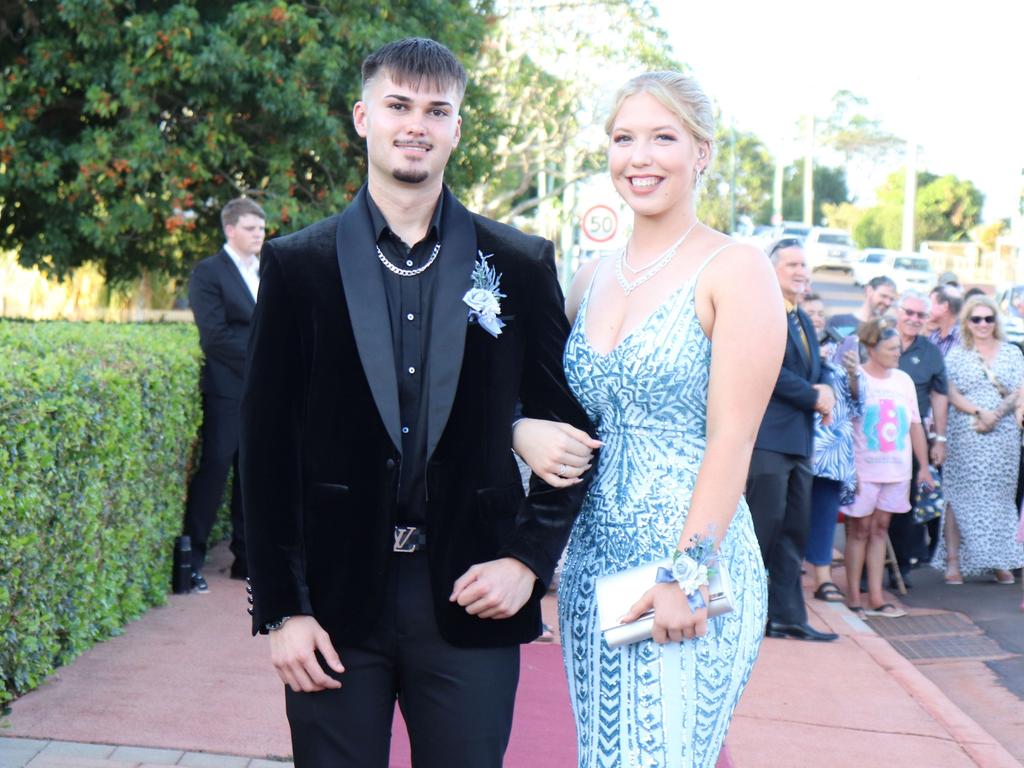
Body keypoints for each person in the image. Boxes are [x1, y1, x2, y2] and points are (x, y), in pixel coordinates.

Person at [239, 38, 596, 767]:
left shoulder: (522, 265)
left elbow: (575, 435)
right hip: (333, 606)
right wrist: (283, 608)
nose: (416, 125)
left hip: (474, 594)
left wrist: (527, 563)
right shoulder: (296, 265)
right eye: (399, 106)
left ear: (456, 129)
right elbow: (265, 448)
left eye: (437, 111)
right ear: (363, 117)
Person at [553, 71, 785, 768]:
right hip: (593, 566)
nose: (639, 157)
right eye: (624, 139)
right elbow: (551, 413)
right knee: (604, 757)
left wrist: (685, 572)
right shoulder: (590, 276)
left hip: (691, 569)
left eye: (663, 137)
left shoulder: (735, 270)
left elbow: (733, 437)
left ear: (702, 152)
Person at [747, 238, 838, 642]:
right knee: (759, 533)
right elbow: (766, 368)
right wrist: (813, 394)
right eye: (793, 265)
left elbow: (814, 368)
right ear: (772, 269)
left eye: (805, 265)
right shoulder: (762, 310)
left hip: (800, 441)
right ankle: (743, 617)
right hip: (767, 439)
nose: (802, 272)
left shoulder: (800, 316)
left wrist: (827, 386)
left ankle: (787, 617)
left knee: (792, 532)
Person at [183, 196, 266, 591]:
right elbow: (214, 338)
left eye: (262, 228)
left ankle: (246, 561)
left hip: (262, 392)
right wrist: (265, 356)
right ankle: (190, 562)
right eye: (251, 228)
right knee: (215, 470)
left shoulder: (266, 270)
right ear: (230, 230)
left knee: (254, 474)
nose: (259, 235)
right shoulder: (208, 273)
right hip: (227, 390)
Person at [844, 317, 933, 619]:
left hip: (897, 469)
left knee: (881, 528)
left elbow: (915, 425)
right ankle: (854, 593)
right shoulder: (857, 378)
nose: (898, 353)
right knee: (859, 529)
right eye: (891, 348)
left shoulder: (903, 381)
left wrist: (923, 467)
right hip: (864, 468)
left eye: (899, 348)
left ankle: (877, 596)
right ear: (871, 348)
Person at [932, 295, 1024, 585]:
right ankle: (953, 561)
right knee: (959, 497)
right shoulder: (957, 355)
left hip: (1004, 433)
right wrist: (979, 411)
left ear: (996, 321)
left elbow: (1020, 388)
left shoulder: (1012, 352)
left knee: (999, 498)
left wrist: (996, 413)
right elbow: (950, 392)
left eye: (988, 318)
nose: (983, 324)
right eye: (976, 319)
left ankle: (1000, 559)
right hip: (966, 432)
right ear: (967, 323)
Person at [801, 294, 864, 603]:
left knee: (825, 515)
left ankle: (823, 579)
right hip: (796, 447)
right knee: (789, 515)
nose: (815, 317)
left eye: (819, 313)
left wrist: (852, 372)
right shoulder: (790, 350)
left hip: (833, 453)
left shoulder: (841, 354)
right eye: (808, 312)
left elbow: (858, 401)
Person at [888, 291, 948, 586]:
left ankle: (900, 567)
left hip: (913, 436)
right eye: (908, 312)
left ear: (927, 319)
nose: (913, 319)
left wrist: (939, 439)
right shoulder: (879, 340)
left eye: (920, 315)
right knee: (871, 504)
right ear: (897, 312)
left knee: (907, 503)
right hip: (875, 436)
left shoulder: (931, 352)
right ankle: (864, 570)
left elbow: (939, 396)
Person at [827, 275, 897, 338]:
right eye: (883, 296)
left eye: (891, 299)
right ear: (869, 291)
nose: (888, 303)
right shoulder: (837, 322)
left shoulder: (889, 330)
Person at [927, 283, 963, 357]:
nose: (927, 309)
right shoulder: (933, 335)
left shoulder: (963, 339)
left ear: (945, 306)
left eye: (930, 304)